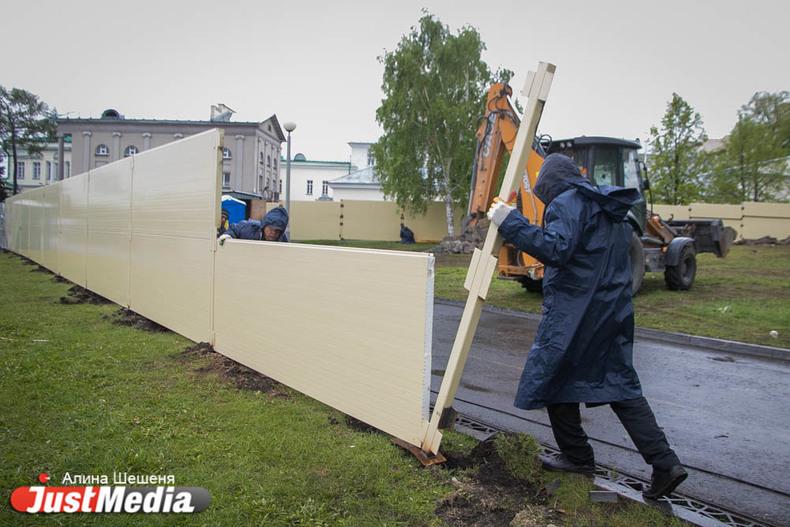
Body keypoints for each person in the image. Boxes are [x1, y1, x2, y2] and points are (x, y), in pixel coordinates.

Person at [487, 153, 687, 500]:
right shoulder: (607, 207)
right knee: (619, 385)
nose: (543, 197)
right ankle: (665, 463)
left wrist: (510, 221)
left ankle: (578, 458)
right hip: (612, 311)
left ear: (549, 184)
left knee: (553, 377)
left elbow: (556, 248)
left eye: (542, 191)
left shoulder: (566, 202)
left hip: (576, 313)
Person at [218, 206, 289, 244]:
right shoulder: (250, 228)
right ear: (264, 226)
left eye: (277, 231)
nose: (273, 233)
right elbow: (234, 229)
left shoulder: (283, 240)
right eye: (270, 229)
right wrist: (227, 236)